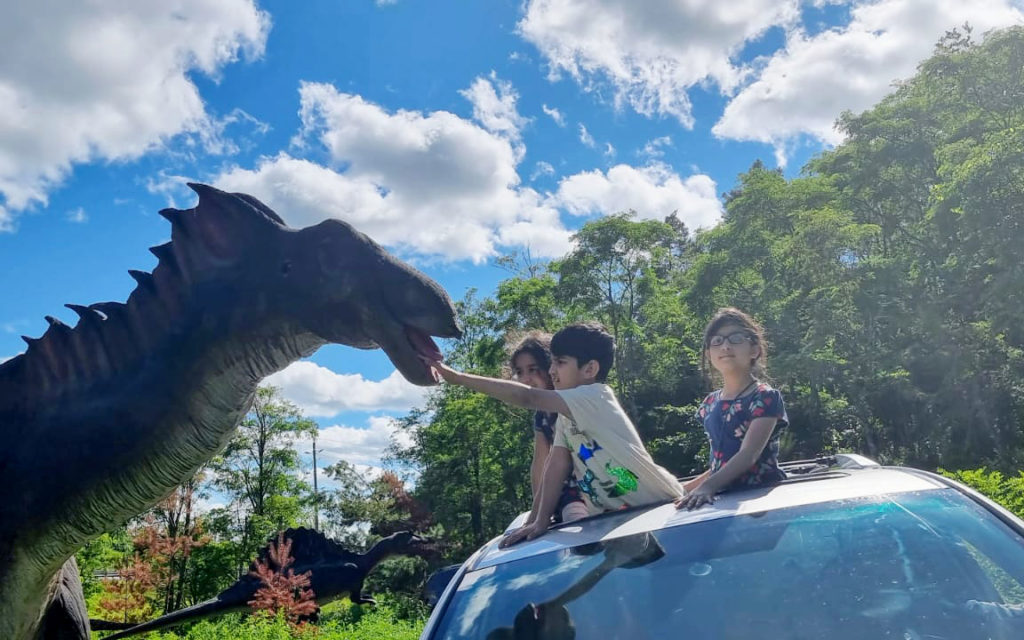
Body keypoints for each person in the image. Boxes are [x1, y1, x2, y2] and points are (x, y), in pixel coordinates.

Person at [423, 322, 684, 547]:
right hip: (620, 518)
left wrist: (457, 378)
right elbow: (554, 466)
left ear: (590, 369)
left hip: (659, 507)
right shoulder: (565, 419)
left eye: (559, 363)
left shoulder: (595, 397)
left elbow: (526, 396)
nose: (551, 371)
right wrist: (539, 521)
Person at [676, 307, 789, 511]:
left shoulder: (765, 397)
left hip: (762, 503)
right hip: (721, 501)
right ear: (709, 353)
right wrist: (684, 489)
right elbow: (719, 464)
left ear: (754, 350)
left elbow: (748, 455)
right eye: (717, 341)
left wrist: (707, 487)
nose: (725, 346)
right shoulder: (710, 404)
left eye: (735, 338)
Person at [508, 332, 588, 524]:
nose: (526, 379)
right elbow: (540, 464)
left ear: (549, 367)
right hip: (572, 493)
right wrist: (540, 512)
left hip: (605, 479)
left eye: (533, 369)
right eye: (520, 372)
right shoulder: (542, 415)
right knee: (576, 520)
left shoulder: (574, 400)